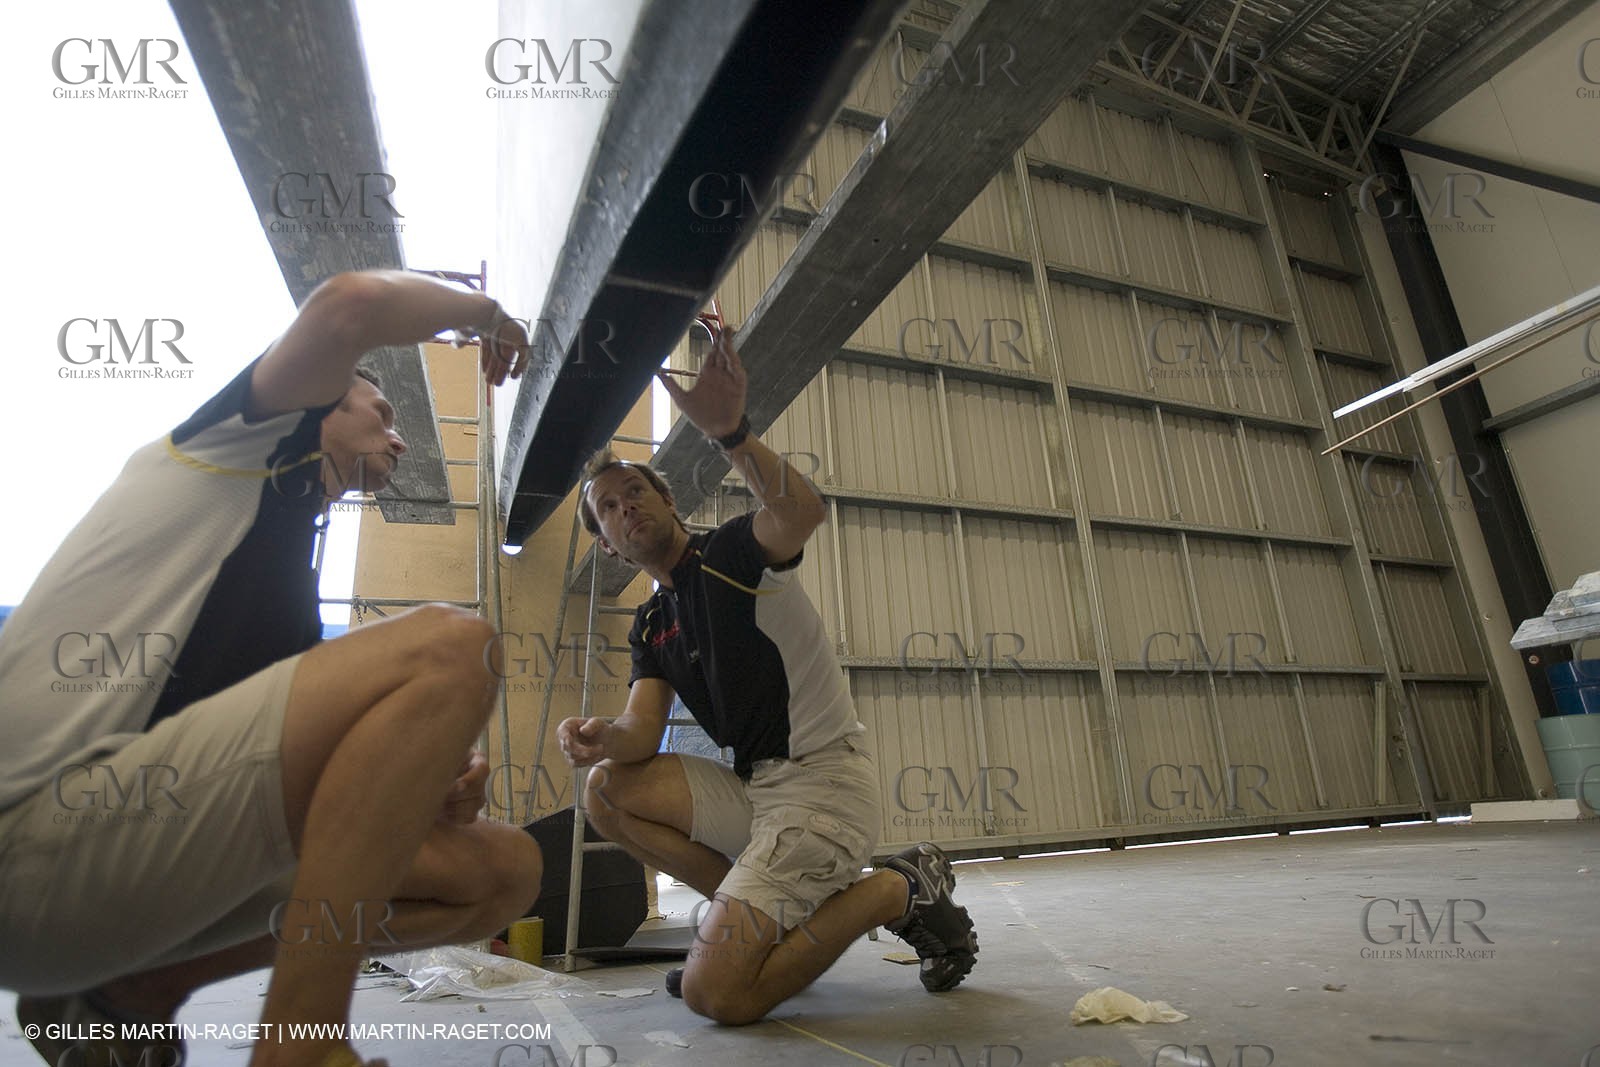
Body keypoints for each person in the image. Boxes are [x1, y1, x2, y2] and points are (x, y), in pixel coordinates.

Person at [0, 270, 542, 1067]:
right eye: (381, 411)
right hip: (32, 839)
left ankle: (131, 991)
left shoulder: (283, 583)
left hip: (107, 879)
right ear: (322, 403)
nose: (397, 437)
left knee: (504, 873)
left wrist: (427, 781)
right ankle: (303, 1044)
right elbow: (350, 305)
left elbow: (310, 791)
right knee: (452, 648)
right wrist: (488, 316)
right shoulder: (233, 449)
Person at [558, 328, 979, 1025]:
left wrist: (732, 433)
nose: (625, 505)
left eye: (635, 490)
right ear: (607, 543)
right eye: (609, 506)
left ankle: (895, 886)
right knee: (606, 790)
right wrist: (603, 735)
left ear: (666, 501)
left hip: (824, 786)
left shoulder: (729, 553)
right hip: (759, 790)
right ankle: (755, 921)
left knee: (715, 994)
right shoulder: (652, 622)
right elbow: (640, 730)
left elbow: (800, 512)